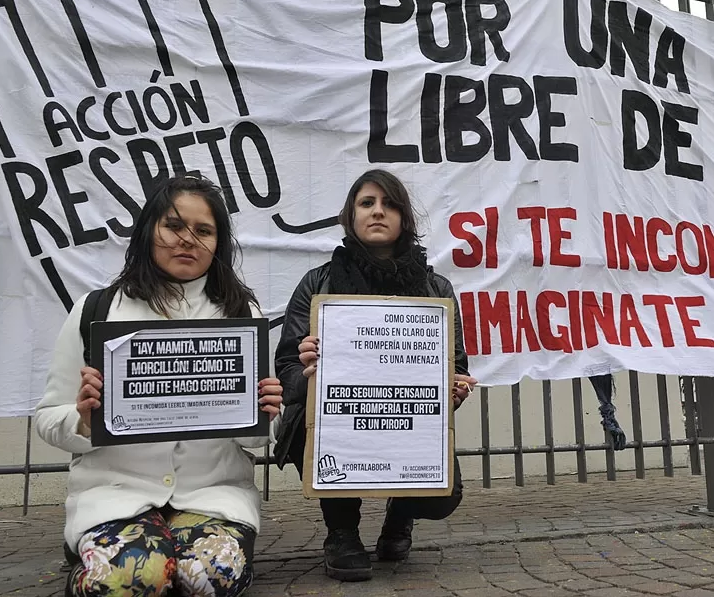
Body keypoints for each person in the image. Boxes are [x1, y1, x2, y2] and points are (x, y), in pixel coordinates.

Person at [35, 175, 282, 597]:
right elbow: (46, 418)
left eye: (203, 231)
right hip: (116, 496)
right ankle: (95, 551)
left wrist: (266, 413)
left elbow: (258, 437)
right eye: (174, 226)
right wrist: (83, 419)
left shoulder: (242, 315)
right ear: (149, 230)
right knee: (131, 579)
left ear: (218, 244)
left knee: (210, 577)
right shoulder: (95, 310)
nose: (187, 239)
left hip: (212, 496)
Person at [272, 169, 477, 582]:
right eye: (367, 204)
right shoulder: (318, 283)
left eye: (390, 204)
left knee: (443, 497)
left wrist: (454, 387)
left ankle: (401, 515)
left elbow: (456, 365)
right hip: (336, 417)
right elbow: (286, 368)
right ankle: (342, 533)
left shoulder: (436, 289)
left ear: (404, 218)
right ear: (351, 215)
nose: (378, 212)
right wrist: (307, 367)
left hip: (405, 420)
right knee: (317, 433)